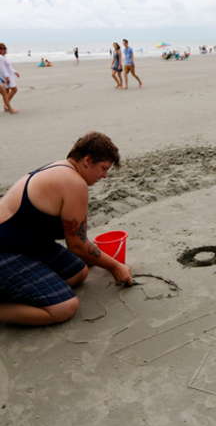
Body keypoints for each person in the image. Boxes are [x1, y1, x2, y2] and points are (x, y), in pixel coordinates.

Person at [0, 132, 133, 326]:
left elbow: (79, 244)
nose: (104, 175)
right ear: (87, 160)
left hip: (27, 243)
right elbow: (77, 246)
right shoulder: (74, 183)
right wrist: (115, 266)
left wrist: (103, 258)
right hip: (4, 251)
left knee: (78, 272)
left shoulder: (63, 168)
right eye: (103, 168)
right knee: (64, 307)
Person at [0, 43, 19, 114]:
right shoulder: (1, 57)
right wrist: (7, 77)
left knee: (6, 91)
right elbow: (2, 68)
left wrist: (15, 71)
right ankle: (6, 105)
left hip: (7, 75)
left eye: (4, 48)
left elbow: (8, 67)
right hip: (6, 76)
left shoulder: (3, 57)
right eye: (1, 48)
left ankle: (6, 106)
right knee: (14, 89)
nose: (3, 50)